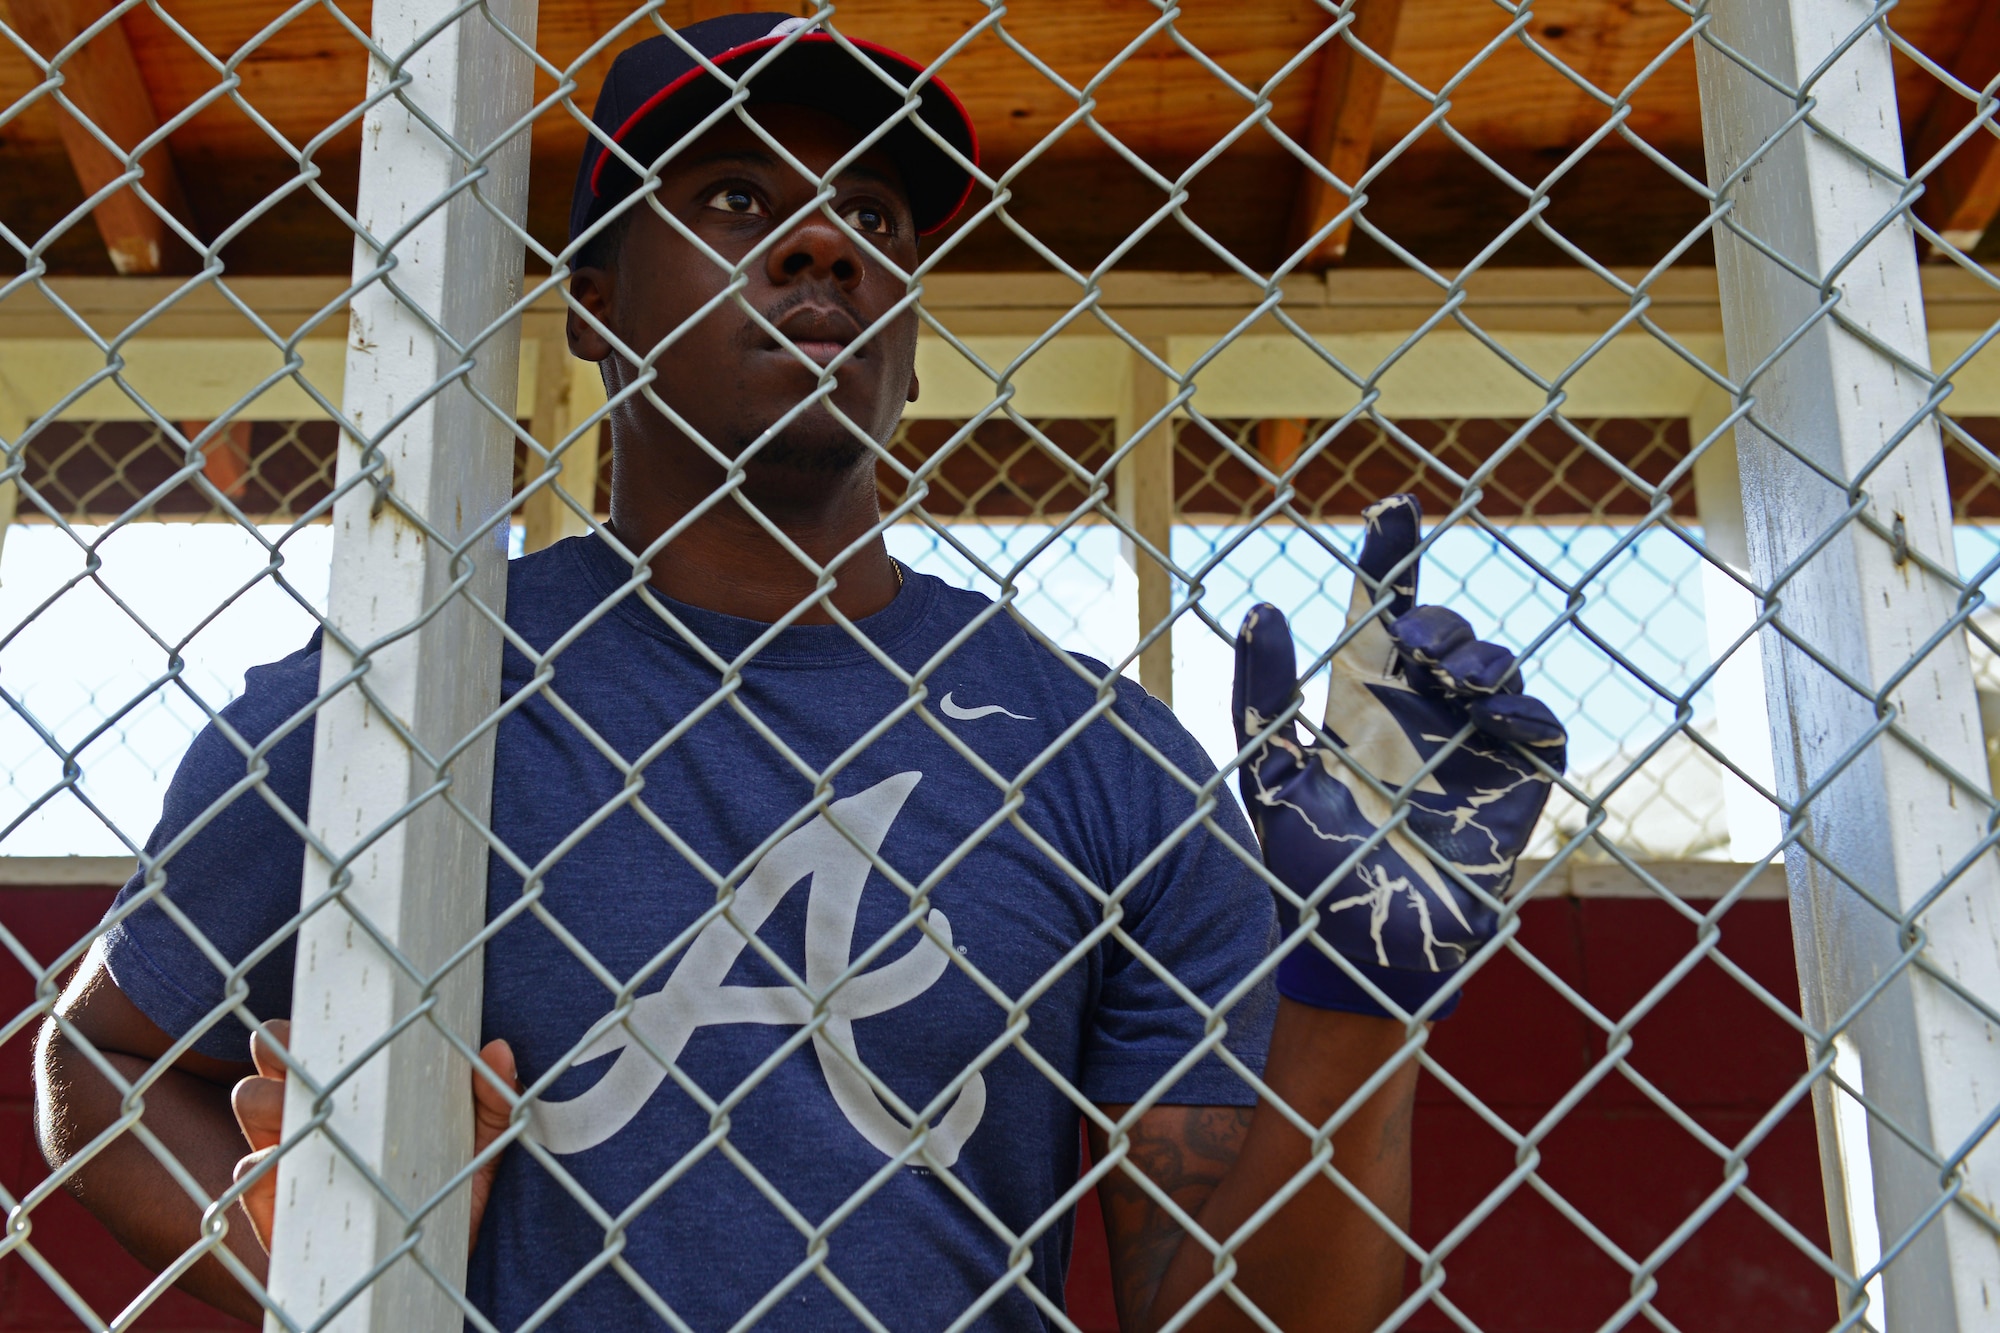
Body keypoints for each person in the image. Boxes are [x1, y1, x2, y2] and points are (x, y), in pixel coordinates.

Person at [33, 15, 1564, 1332]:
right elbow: (92, 1062)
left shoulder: (1096, 753)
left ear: (908, 329)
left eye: (879, 219)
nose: (825, 241)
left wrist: (1352, 1007)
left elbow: (1231, 1308)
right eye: (735, 195)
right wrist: (320, 1266)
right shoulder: (395, 698)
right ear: (598, 303)